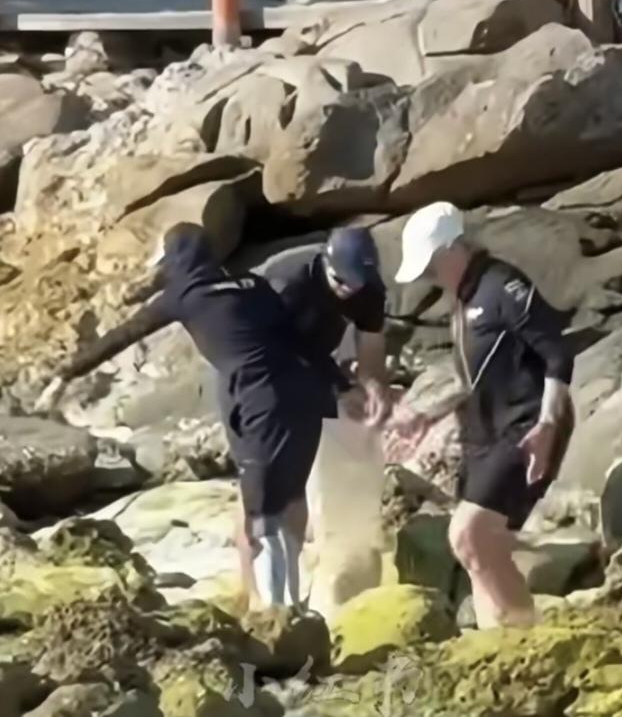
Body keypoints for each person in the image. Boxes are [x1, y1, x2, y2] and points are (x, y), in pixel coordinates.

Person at [35, 222, 344, 611]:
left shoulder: (184, 293)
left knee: (259, 506)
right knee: (290, 493)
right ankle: (286, 598)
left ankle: (275, 611)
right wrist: (342, 383)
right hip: (306, 393)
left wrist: (64, 374)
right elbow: (297, 338)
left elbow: (123, 335)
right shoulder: (253, 284)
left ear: (176, 261)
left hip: (260, 399)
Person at [390, 201, 575, 629]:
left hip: (526, 426)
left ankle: (524, 641)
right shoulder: (464, 298)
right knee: (478, 549)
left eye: (431, 268)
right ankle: (499, 643)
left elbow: (557, 354)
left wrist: (548, 424)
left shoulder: (502, 285)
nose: (430, 278)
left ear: (453, 250)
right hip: (484, 435)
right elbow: (473, 378)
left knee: (469, 535)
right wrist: (425, 415)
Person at [230, 227, 393, 618]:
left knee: (298, 482)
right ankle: (252, 596)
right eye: (340, 283)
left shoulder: (367, 288)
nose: (348, 293)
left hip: (313, 366)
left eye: (357, 286)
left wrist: (373, 388)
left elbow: (372, 352)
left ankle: (290, 592)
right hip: (256, 369)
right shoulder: (287, 283)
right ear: (325, 263)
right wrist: (338, 386)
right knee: (260, 485)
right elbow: (272, 352)